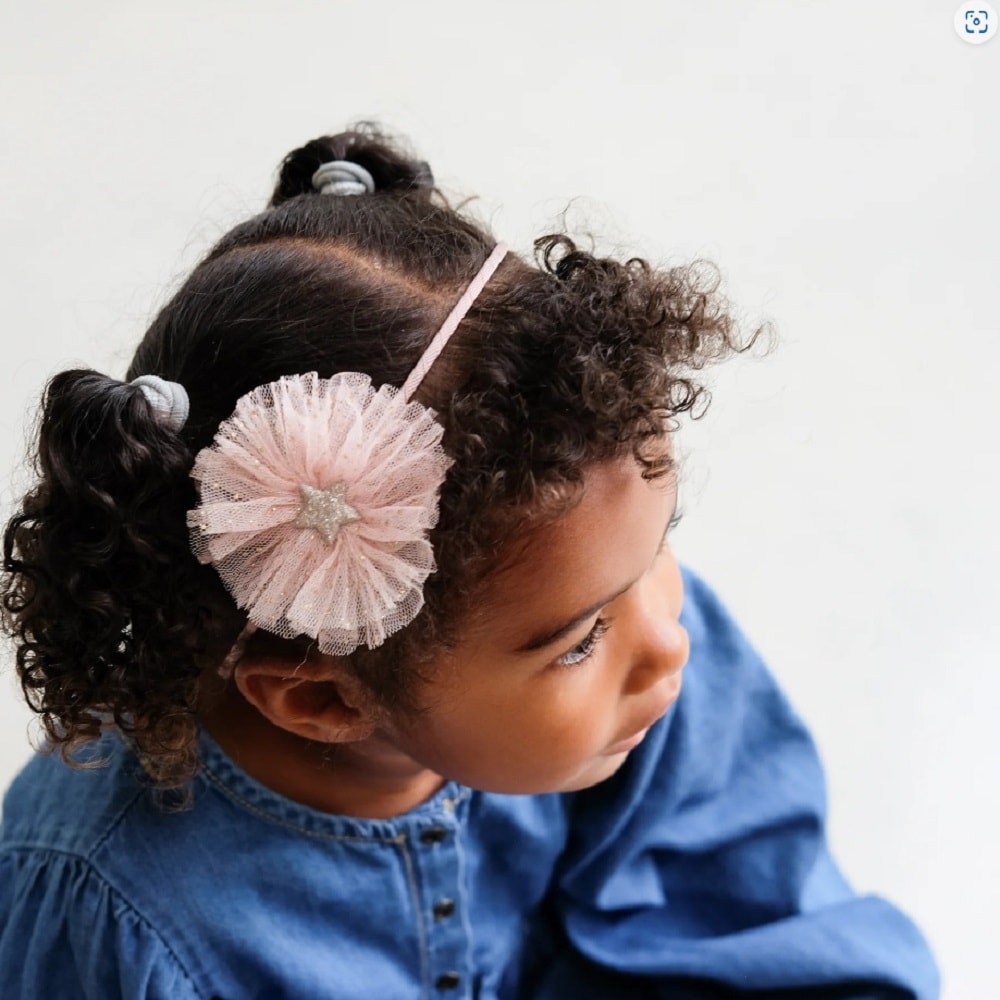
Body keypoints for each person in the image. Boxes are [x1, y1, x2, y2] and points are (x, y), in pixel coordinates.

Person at [0, 127, 938, 1000]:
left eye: (658, 552)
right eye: (578, 642)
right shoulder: (121, 924)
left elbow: (767, 934)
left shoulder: (626, 661)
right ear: (324, 699)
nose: (667, 646)